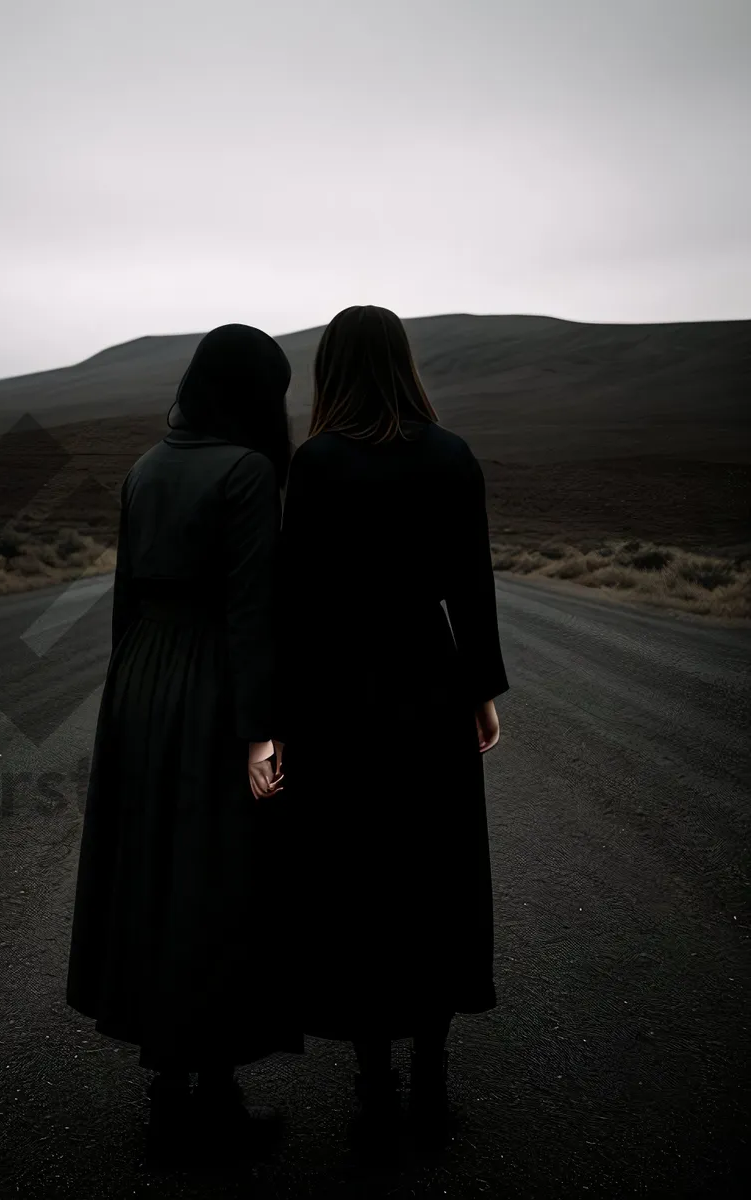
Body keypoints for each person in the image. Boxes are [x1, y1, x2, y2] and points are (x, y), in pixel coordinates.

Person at [274, 304, 509, 1162]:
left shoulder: (318, 463)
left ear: (332, 370)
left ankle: (376, 1087)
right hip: (428, 682)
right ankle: (435, 1079)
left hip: (341, 697)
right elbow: (471, 585)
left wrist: (284, 720)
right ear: (405, 362)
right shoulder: (450, 455)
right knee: (435, 871)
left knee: (358, 879)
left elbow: (295, 604)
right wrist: (481, 691)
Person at [66, 323, 301, 1164]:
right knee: (220, 878)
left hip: (140, 685)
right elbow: (250, 615)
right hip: (209, 688)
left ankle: (168, 1090)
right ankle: (216, 1096)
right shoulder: (246, 472)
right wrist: (260, 734)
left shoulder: (144, 467)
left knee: (155, 872)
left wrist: (128, 702)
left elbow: (125, 602)